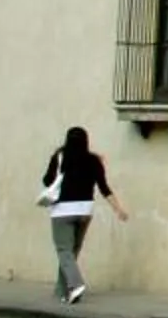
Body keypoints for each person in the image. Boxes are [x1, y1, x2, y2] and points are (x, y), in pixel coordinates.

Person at [42, 126, 127, 304]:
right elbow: (104, 188)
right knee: (72, 252)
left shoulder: (59, 157)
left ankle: (76, 284)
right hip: (85, 211)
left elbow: (47, 180)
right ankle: (62, 290)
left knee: (64, 251)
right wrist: (118, 209)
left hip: (62, 211)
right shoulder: (93, 161)